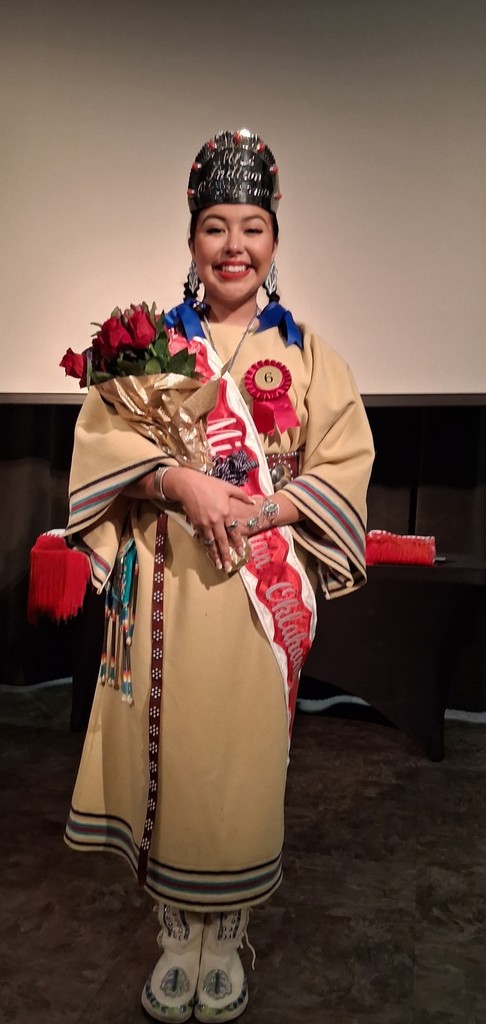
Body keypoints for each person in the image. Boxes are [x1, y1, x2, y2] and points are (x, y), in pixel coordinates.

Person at [63, 128, 374, 1023]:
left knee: (239, 764)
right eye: (214, 227)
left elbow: (342, 459)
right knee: (173, 749)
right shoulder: (151, 348)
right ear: (191, 238)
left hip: (259, 600)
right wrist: (177, 481)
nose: (234, 246)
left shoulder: (309, 353)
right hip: (164, 589)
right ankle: (175, 929)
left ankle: (228, 928)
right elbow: (103, 443)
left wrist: (263, 511)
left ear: (274, 241)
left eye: (252, 228)